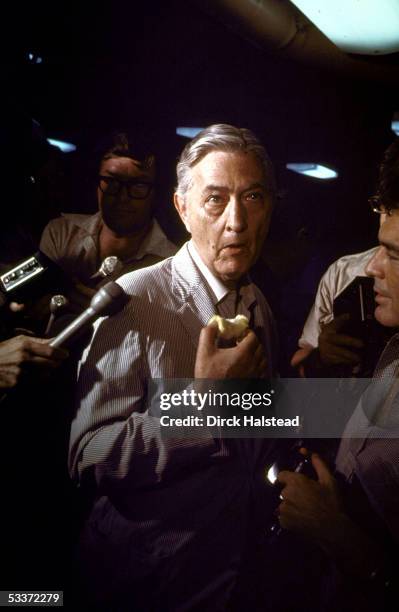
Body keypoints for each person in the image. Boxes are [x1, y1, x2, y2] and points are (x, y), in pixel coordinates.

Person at [69, 124, 278, 611]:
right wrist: (201, 406)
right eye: (215, 200)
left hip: (224, 577)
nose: (237, 222)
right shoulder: (137, 300)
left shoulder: (258, 303)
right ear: (182, 209)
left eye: (252, 197)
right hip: (137, 584)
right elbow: (88, 458)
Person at [277, 138, 399, 611]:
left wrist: (339, 535)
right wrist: (199, 406)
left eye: (394, 254)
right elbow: (328, 409)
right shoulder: (392, 353)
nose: (372, 266)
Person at [40, 132, 177, 292]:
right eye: (111, 181)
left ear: (156, 193)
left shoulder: (171, 266)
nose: (123, 197)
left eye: (138, 185)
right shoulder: (62, 233)